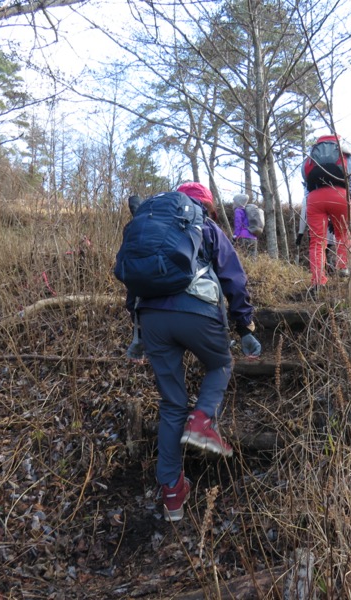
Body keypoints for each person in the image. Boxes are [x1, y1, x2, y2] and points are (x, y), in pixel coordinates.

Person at [123, 182, 262, 522]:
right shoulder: (206, 225)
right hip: (197, 312)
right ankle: (201, 420)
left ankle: (172, 493)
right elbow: (234, 278)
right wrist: (244, 328)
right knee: (220, 363)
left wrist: (138, 334)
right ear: (207, 206)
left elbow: (135, 280)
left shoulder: (151, 228)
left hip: (152, 318)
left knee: (172, 404)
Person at [296, 134, 351, 292]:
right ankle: (342, 268)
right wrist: (348, 197)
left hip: (315, 198)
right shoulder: (345, 154)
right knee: (342, 234)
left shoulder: (311, 158)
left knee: (317, 241)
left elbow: (305, 182)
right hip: (340, 195)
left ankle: (318, 280)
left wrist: (310, 198)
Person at [232, 193, 258, 257]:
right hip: (253, 238)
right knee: (252, 259)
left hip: (244, 237)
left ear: (238, 202)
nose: (233, 203)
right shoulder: (248, 210)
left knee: (242, 257)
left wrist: (235, 236)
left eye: (234, 201)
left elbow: (238, 224)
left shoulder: (238, 210)